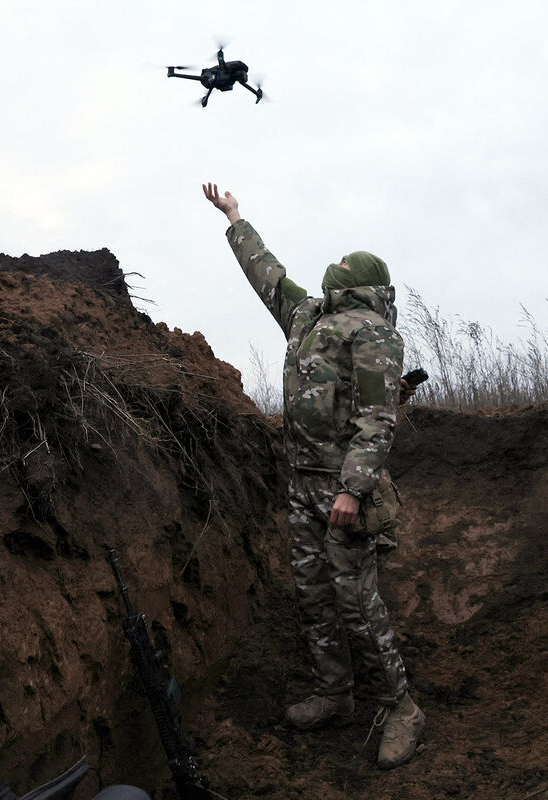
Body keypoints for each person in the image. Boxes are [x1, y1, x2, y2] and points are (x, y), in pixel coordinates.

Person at [202, 183, 424, 769]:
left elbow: (379, 419)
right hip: (300, 487)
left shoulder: (373, 333)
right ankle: (335, 694)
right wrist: (235, 220)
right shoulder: (306, 316)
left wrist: (353, 489)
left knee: (357, 599)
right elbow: (267, 275)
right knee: (313, 596)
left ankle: (401, 707)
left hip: (341, 491)